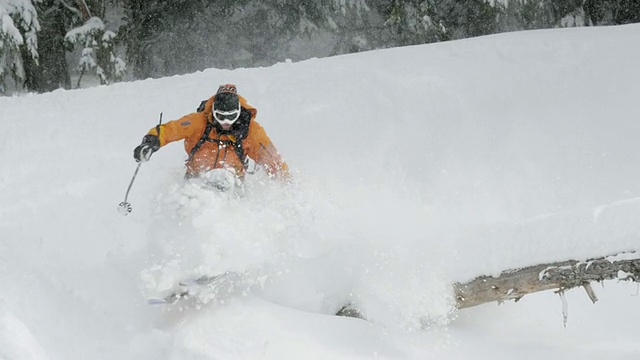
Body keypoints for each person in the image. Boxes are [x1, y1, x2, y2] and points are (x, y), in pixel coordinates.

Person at [133, 83, 290, 187]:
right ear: (213, 112)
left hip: (233, 183)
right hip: (196, 180)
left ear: (239, 113)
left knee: (225, 185)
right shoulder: (198, 122)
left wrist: (286, 182)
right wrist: (151, 143)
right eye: (221, 117)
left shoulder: (250, 131)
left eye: (231, 117)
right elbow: (171, 129)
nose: (226, 122)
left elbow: (271, 157)